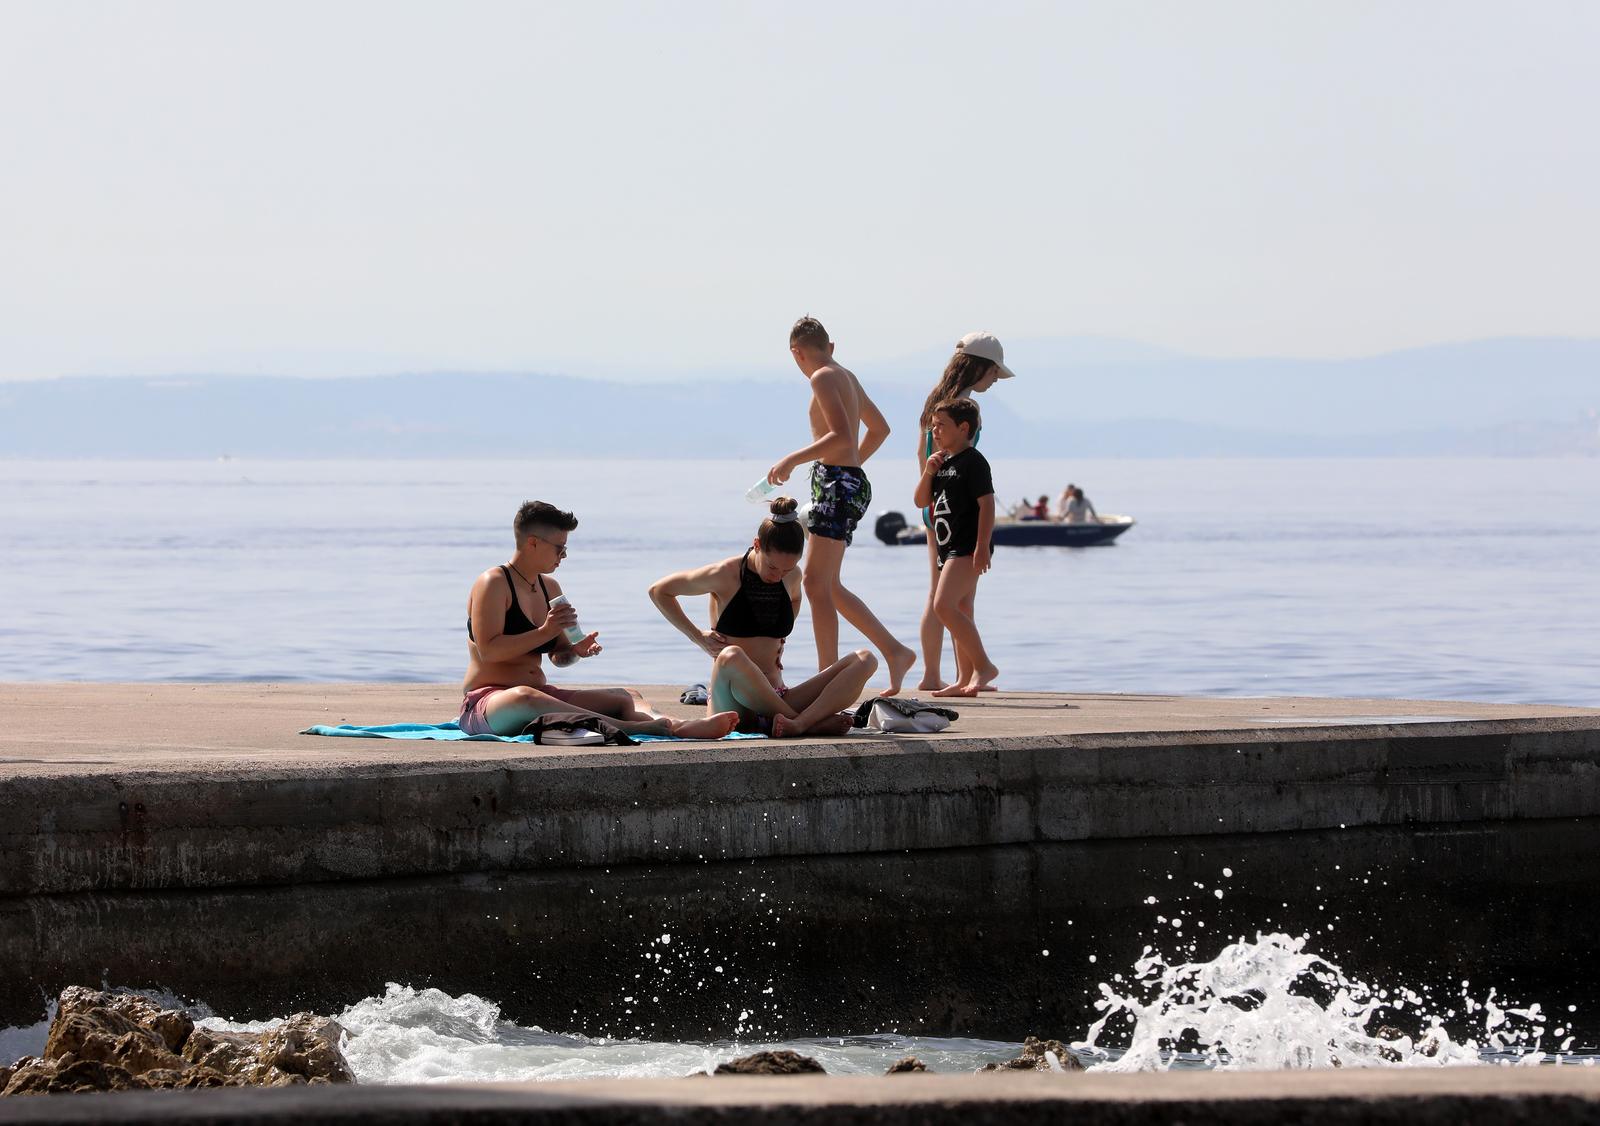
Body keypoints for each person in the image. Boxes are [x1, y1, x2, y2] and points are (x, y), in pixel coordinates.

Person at [459, 500, 740, 739]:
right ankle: (630, 728)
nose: (564, 556)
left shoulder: (551, 588)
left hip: (540, 692)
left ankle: (676, 724)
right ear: (533, 543)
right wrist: (547, 630)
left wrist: (575, 651)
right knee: (525, 697)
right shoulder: (493, 583)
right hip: (487, 703)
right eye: (559, 548)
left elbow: (559, 656)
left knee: (625, 695)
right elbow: (490, 650)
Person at [766, 315, 915, 695]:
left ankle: (828, 675)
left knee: (817, 582)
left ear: (796, 353)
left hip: (836, 483)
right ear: (829, 345)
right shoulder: (846, 375)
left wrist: (791, 460)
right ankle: (893, 653)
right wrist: (853, 467)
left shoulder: (822, 377)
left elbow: (840, 436)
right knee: (825, 584)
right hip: (842, 481)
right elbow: (879, 429)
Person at [649, 497, 877, 737]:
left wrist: (783, 623)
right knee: (731, 655)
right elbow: (659, 591)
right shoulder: (724, 574)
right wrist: (698, 637)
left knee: (865, 659)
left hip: (777, 697)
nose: (778, 576)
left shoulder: (792, 576)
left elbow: (796, 598)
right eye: (772, 567)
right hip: (733, 701)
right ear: (757, 545)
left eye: (786, 570)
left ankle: (798, 723)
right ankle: (806, 722)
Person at [913, 331, 1014, 692]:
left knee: (949, 597)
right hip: (953, 508)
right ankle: (964, 672)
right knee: (950, 598)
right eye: (993, 374)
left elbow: (923, 456)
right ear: (980, 368)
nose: (993, 382)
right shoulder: (962, 408)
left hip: (936, 504)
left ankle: (962, 674)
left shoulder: (936, 402)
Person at [915, 398, 999, 698]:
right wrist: (928, 471)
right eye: (933, 426)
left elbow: (987, 504)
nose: (935, 431)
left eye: (941, 426)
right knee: (960, 608)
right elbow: (921, 501)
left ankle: (984, 665)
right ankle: (965, 679)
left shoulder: (973, 462)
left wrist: (982, 545)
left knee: (943, 606)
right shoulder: (942, 463)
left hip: (966, 547)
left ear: (964, 428)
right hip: (947, 546)